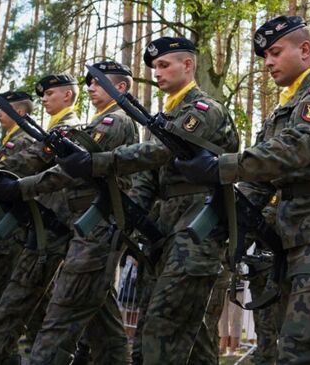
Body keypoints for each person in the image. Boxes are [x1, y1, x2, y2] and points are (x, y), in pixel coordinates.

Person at [177, 16, 310, 364]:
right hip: (296, 238)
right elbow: (258, 179)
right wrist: (231, 223)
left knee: (309, 349)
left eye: (276, 52)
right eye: (265, 55)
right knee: (297, 346)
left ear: (306, 50)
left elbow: (295, 149)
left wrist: (221, 165)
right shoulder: (282, 109)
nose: (267, 62)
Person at [82, 36, 239, 364]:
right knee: (176, 339)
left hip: (199, 230)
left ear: (189, 65)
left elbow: (158, 153)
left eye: (164, 65)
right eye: (154, 67)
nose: (157, 72)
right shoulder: (162, 121)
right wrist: (129, 224)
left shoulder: (204, 110)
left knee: (164, 329)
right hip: (164, 233)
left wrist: (99, 161)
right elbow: (144, 182)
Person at [4, 61, 142, 365]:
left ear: (120, 88)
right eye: (89, 83)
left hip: (99, 226)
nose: (90, 88)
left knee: (62, 312)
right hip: (89, 227)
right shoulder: (101, 122)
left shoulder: (115, 122)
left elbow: (69, 170)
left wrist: (22, 187)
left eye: (97, 83)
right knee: (101, 319)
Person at [0, 78, 84, 365]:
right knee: (23, 297)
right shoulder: (52, 129)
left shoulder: (72, 128)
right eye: (42, 94)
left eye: (50, 93)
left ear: (67, 95)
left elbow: (34, 161)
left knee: (26, 297)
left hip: (55, 223)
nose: (44, 98)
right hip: (42, 223)